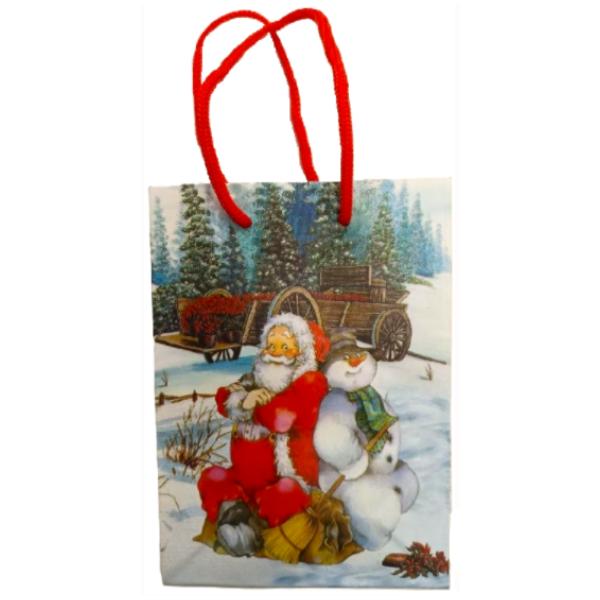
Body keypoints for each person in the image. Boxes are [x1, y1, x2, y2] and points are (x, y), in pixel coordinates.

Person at [198, 313, 329, 556]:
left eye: (285, 347)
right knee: (212, 478)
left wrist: (252, 405)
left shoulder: (311, 381)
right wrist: (242, 400)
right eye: (271, 345)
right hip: (244, 477)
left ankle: (250, 535)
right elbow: (224, 398)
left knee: (285, 495)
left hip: (284, 477)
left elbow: (281, 419)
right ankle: (235, 515)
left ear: (301, 351)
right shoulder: (258, 378)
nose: (276, 352)